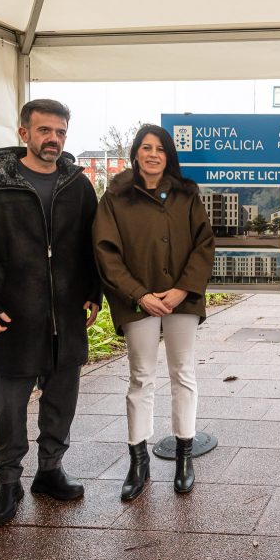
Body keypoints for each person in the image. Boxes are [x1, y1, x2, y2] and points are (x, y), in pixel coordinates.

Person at [0, 99, 101, 526]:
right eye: (44, 130)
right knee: (9, 410)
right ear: (24, 133)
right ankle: (8, 482)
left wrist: (93, 293)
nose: (53, 139)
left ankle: (50, 471)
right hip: (11, 319)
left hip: (66, 317)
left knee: (61, 403)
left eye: (60, 132)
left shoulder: (77, 184)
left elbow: (94, 245)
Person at [94, 124, 215, 501]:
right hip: (137, 302)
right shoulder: (115, 197)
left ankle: (184, 456)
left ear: (168, 156)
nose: (153, 154)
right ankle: (138, 461)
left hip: (182, 299)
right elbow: (105, 252)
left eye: (160, 149)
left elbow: (204, 244)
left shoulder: (186, 194)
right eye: (146, 147)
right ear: (135, 153)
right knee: (141, 377)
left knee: (183, 373)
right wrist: (140, 294)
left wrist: (181, 290)